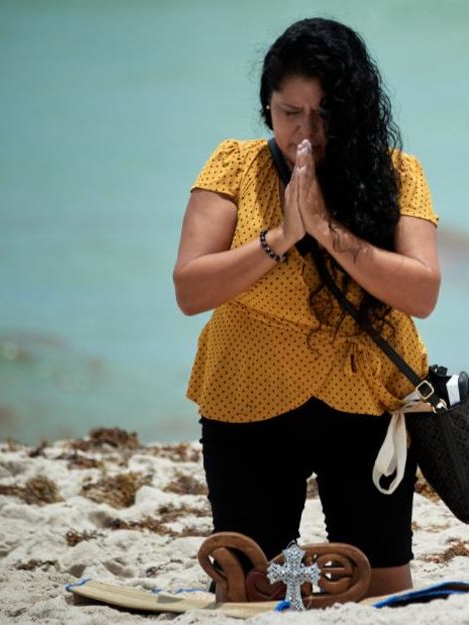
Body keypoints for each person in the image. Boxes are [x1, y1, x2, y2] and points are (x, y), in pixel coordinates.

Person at [172, 17, 440, 599]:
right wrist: (284, 236)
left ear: (353, 109)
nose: (305, 131)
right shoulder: (233, 166)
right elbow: (190, 289)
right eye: (290, 111)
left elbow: (422, 292)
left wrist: (325, 228)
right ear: (265, 106)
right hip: (247, 399)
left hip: (367, 400)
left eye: (324, 114)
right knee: (248, 590)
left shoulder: (396, 174)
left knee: (382, 589)